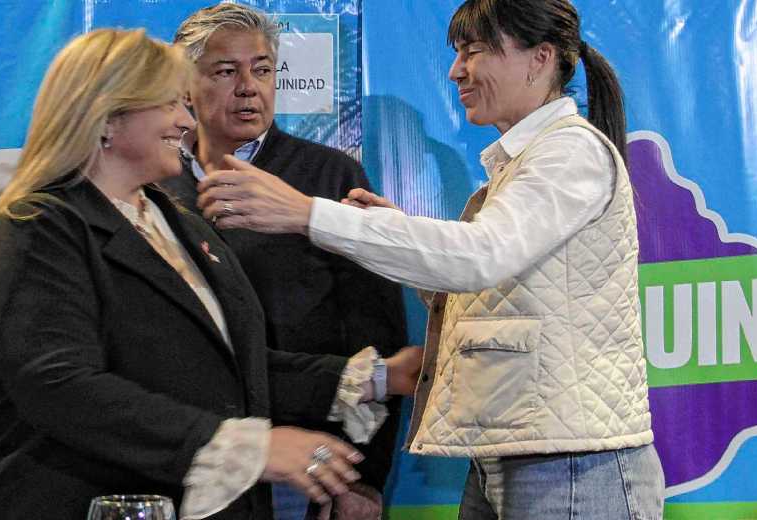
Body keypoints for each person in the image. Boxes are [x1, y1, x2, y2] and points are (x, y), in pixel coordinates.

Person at [196, 0, 666, 518]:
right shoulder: (525, 163)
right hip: (516, 453)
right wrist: (382, 228)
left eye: (475, 50)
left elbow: (480, 257)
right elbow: (478, 283)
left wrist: (311, 215)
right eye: (457, 52)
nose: (456, 69)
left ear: (540, 58)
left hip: (570, 464)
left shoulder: (568, 152)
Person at [0, 28, 420, 520]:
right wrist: (247, 447)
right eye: (169, 104)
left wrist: (378, 377)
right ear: (107, 119)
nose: (184, 119)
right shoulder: (36, 227)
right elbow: (59, 385)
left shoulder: (178, 223)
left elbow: (225, 371)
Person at [159, 4, 408, 519]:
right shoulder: (152, 183)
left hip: (311, 463)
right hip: (188, 456)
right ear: (185, 87)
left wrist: (362, 480)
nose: (250, 87)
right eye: (227, 71)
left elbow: (377, 335)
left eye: (264, 69)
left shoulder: (329, 176)